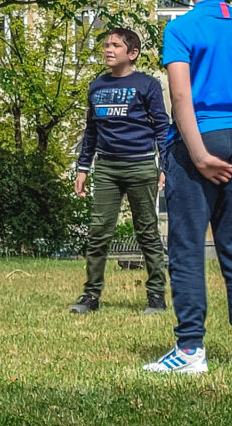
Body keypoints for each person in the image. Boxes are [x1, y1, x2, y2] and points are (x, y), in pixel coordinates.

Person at [143, 0, 232, 374]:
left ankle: (191, 349)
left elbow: (180, 98)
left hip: (198, 141)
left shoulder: (180, 28)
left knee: (188, 247)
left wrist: (195, 153)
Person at [70, 28, 170, 316]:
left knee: (147, 232)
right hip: (106, 168)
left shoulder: (147, 85)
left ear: (132, 53)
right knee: (98, 231)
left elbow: (161, 128)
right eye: (106, 45)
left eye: (115, 45)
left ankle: (155, 297)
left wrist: (165, 166)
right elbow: (91, 130)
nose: (108, 50)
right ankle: (90, 296)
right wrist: (83, 167)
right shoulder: (96, 86)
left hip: (141, 166)